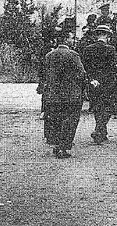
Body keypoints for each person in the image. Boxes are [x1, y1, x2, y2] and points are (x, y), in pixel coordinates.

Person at [42, 30, 87, 159]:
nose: (73, 41)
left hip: (53, 95)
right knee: (70, 120)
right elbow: (82, 73)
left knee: (56, 119)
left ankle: (57, 144)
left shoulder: (49, 55)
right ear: (67, 39)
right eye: (72, 38)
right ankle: (64, 147)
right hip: (71, 94)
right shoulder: (73, 55)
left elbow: (45, 74)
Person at [82, 25, 117, 144]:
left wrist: (91, 79)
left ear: (97, 35)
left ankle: (101, 131)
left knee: (97, 107)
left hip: (93, 82)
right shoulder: (111, 49)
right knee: (107, 107)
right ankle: (99, 130)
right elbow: (113, 68)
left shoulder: (88, 49)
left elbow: (85, 67)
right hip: (107, 82)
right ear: (107, 36)